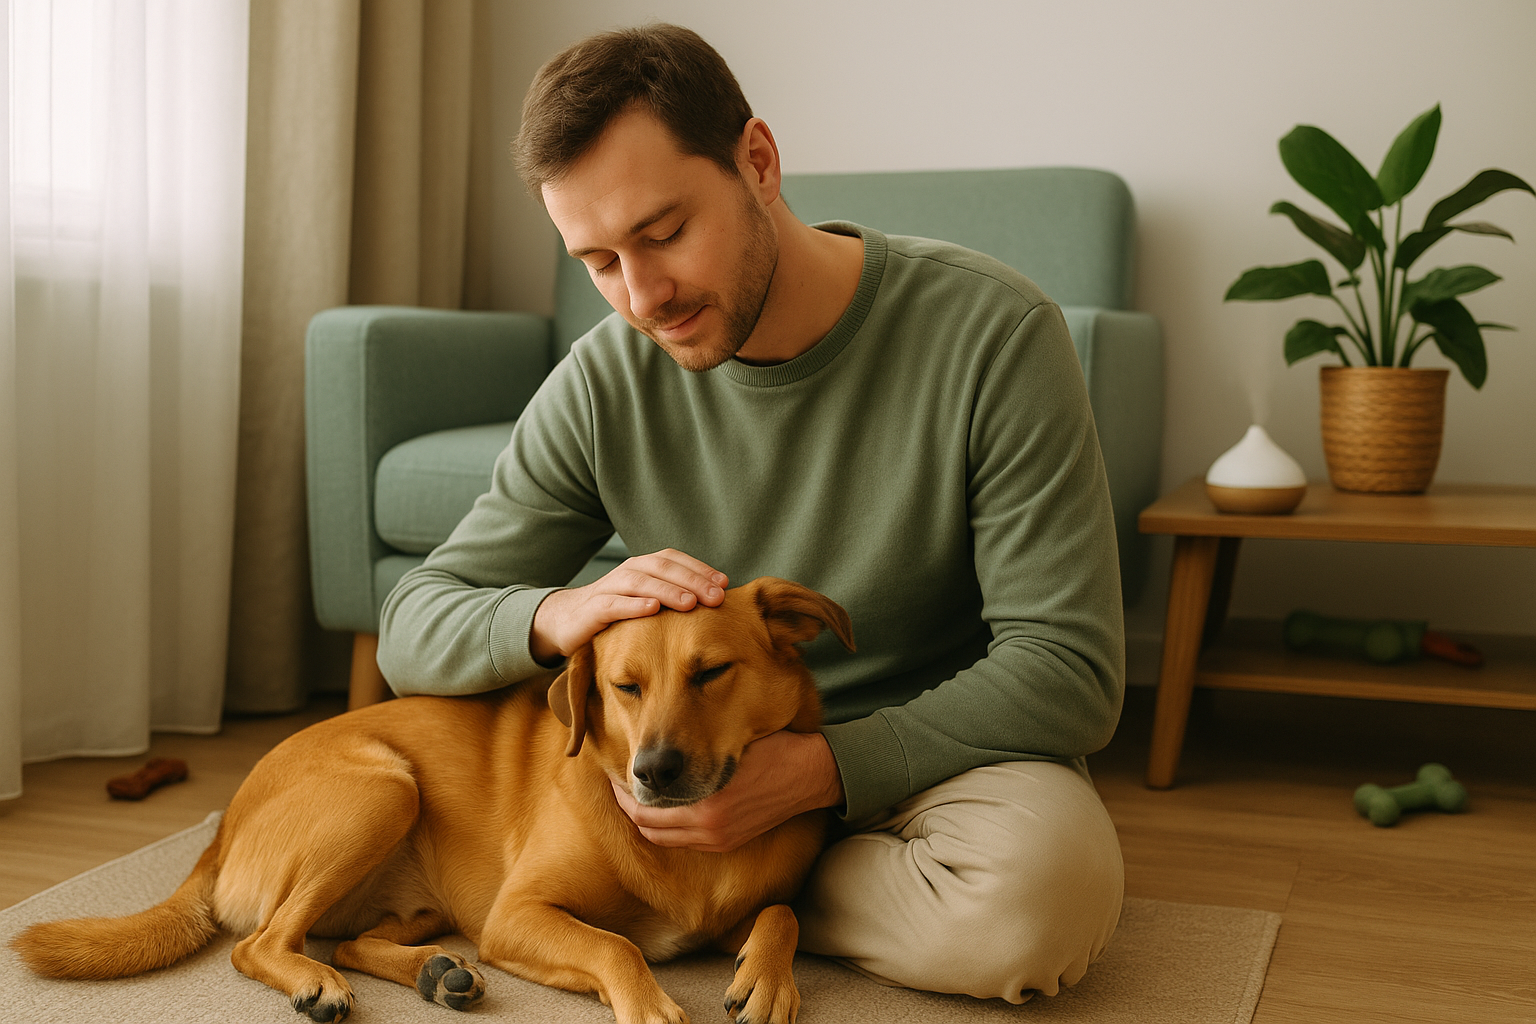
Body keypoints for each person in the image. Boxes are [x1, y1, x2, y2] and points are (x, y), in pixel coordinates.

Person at [378, 23, 1125, 1003]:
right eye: (599, 261)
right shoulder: (605, 381)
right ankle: (742, 899)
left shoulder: (994, 334)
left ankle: (759, 890)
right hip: (694, 766)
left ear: (758, 163)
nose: (642, 296)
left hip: (933, 763)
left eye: (663, 233)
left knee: (1039, 904)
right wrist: (560, 611)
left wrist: (818, 771)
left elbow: (1069, 670)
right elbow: (413, 624)